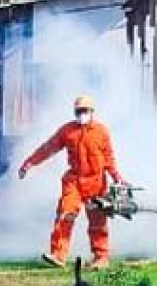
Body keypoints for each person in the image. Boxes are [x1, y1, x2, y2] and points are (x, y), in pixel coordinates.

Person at [18, 93, 122, 266]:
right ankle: (58, 255)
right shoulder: (67, 131)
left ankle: (101, 257)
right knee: (66, 214)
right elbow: (47, 148)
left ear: (91, 111)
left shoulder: (101, 131)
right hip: (74, 181)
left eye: (85, 110)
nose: (81, 114)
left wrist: (117, 177)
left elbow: (108, 157)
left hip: (96, 183)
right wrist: (29, 163)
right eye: (78, 111)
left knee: (97, 221)